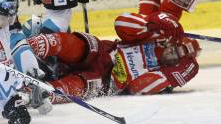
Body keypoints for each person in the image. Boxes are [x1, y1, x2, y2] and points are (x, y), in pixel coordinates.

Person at [26, 11, 200, 102]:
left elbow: (137, 88)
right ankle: (28, 47)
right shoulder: (154, 37)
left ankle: (38, 93)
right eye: (175, 49)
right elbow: (121, 22)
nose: (172, 54)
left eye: (177, 58)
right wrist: (152, 23)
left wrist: (172, 77)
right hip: (102, 52)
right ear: (173, 41)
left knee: (83, 85)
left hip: (106, 81)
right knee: (81, 45)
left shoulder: (162, 77)